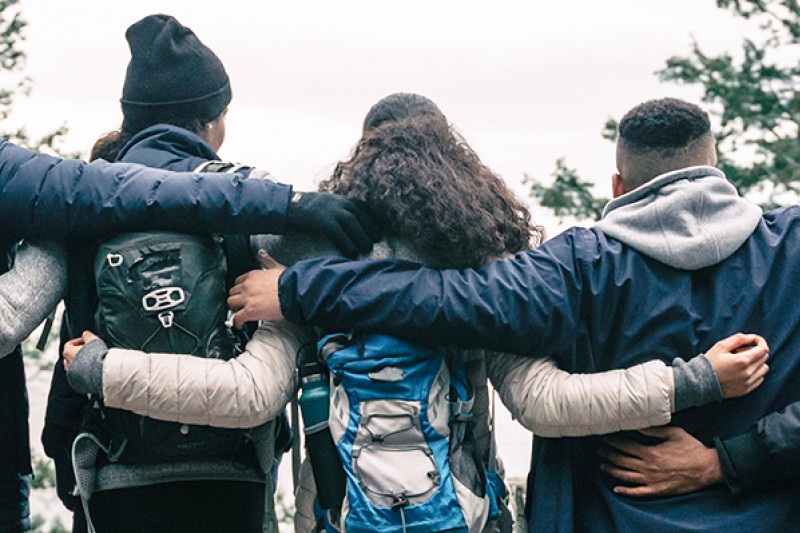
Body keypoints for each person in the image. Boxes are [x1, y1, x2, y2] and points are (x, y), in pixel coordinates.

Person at [229, 97, 800, 532]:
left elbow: (447, 300)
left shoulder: (578, 265)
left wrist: (303, 284)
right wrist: (729, 460)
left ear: (618, 184)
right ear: (716, 167)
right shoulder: (793, 245)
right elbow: (534, 391)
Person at [42, 14, 374, 533]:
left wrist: (63, 455)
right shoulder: (244, 203)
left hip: (118, 468)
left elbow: (74, 338)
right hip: (231, 467)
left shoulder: (90, 205)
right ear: (209, 121)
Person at [0, 136, 373, 533]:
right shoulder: (241, 209)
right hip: (235, 477)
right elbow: (266, 380)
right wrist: (289, 291)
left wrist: (71, 477)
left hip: (119, 479)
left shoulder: (79, 221)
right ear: (213, 122)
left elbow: (29, 345)